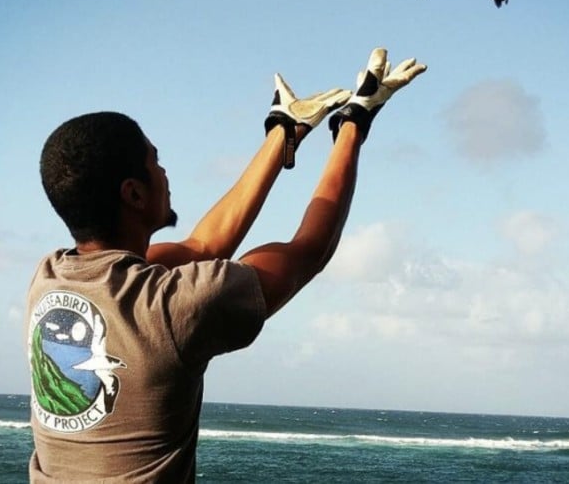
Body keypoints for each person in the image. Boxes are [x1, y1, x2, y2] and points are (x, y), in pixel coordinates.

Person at [26, 48, 425, 482]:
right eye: (155, 162)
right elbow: (309, 250)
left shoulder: (49, 279)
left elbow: (205, 244)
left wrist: (282, 132)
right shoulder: (176, 307)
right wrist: (354, 122)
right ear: (134, 194)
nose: (164, 172)